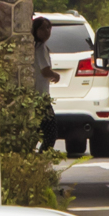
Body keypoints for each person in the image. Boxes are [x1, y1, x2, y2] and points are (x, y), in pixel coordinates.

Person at [31, 15, 60, 151]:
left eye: (49, 28)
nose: (47, 31)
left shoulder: (37, 47)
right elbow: (45, 71)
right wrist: (55, 75)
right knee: (50, 133)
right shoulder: (40, 48)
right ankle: (42, 158)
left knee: (36, 131)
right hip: (41, 98)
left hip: (38, 96)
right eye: (43, 28)